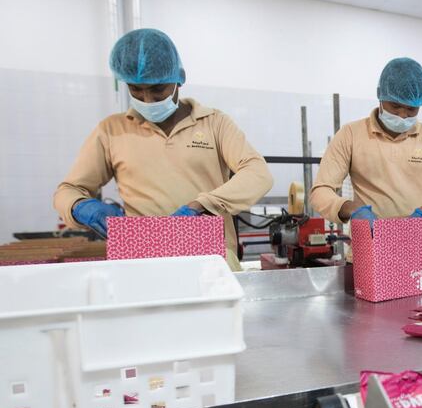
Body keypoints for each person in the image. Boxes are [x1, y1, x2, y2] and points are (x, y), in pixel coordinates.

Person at [54, 28, 273, 270]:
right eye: (136, 89)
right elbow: (68, 190)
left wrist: (203, 205)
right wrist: (80, 207)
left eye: (158, 89)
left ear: (178, 78)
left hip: (212, 259)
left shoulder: (214, 123)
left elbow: (258, 173)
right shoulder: (111, 131)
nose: (148, 100)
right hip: (143, 262)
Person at [310, 57, 422, 223]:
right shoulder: (351, 135)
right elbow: (321, 191)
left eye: (411, 108)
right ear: (380, 96)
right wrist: (351, 210)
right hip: (370, 244)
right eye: (395, 106)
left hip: (420, 246)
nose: (402, 115)